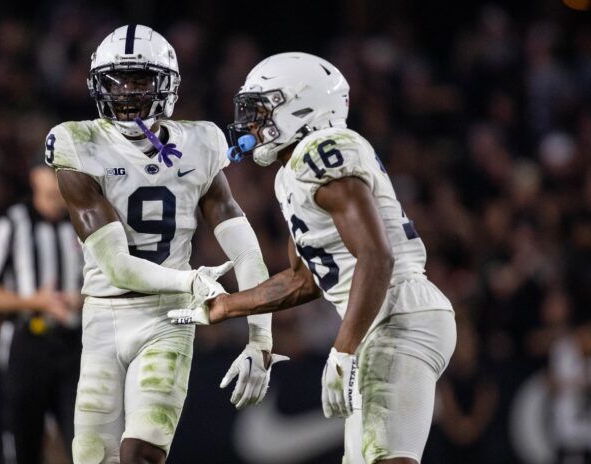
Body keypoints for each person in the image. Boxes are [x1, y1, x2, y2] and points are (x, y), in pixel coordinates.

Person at [169, 52, 457, 464]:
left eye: (262, 110)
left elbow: (377, 256)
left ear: (300, 105)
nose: (251, 123)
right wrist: (223, 306)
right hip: (390, 319)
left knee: (386, 458)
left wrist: (343, 349)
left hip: (398, 314)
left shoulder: (321, 149)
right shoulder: (292, 173)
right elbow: (303, 280)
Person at [45, 25, 283, 464]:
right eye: (117, 80)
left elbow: (246, 251)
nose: (127, 92)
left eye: (140, 79)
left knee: (141, 454)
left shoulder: (201, 143)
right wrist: (191, 280)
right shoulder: (78, 143)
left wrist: (260, 340)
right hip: (104, 313)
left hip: (169, 317)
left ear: (167, 84)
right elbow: (116, 265)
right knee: (92, 458)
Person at [0, 163, 84, 464]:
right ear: (35, 176)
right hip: (27, 343)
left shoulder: (84, 222)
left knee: (86, 440)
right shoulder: (12, 223)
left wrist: (82, 299)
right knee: (24, 441)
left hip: (76, 344)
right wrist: (34, 301)